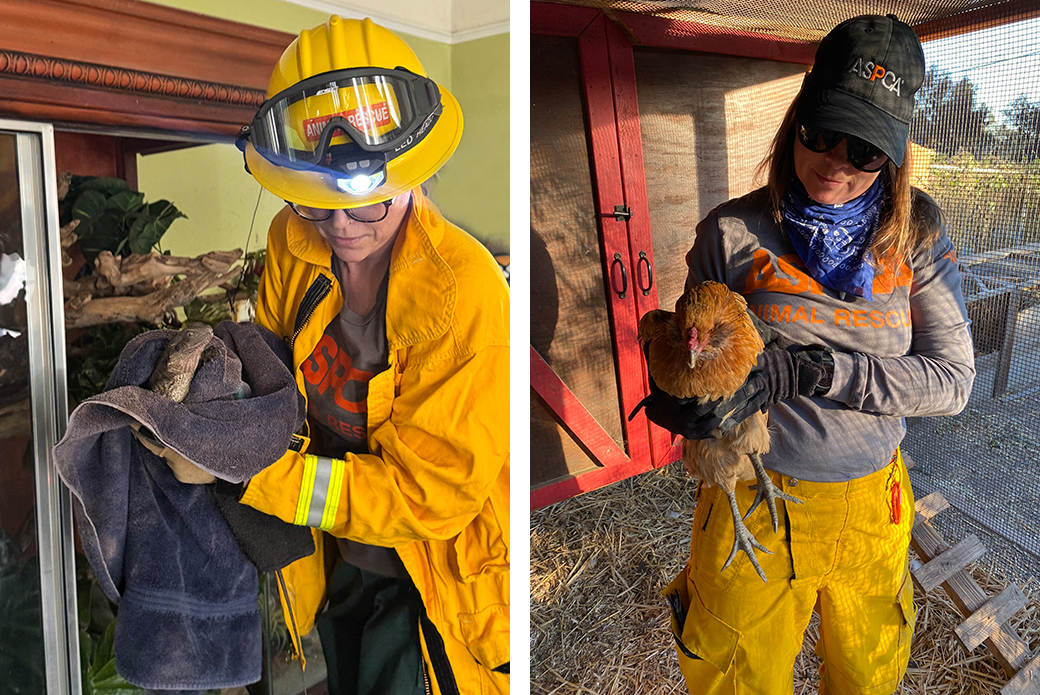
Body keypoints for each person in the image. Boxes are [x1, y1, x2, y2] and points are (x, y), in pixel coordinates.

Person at [646, 15, 975, 695]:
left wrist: (818, 370)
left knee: (867, 673)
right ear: (796, 118)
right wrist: (683, 401)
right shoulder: (732, 232)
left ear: (895, 155)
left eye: (865, 151)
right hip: (749, 488)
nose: (835, 162)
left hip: (871, 501)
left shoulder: (917, 232)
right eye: (821, 133)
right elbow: (691, 346)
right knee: (736, 675)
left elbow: (952, 381)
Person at [232, 16, 510, 695]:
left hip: (435, 583)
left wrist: (253, 475)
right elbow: (270, 375)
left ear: (411, 170)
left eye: (363, 205)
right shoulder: (292, 241)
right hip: (342, 560)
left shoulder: (466, 294)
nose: (339, 226)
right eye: (312, 203)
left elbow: (428, 498)